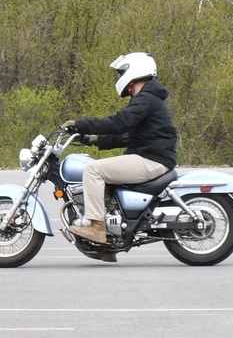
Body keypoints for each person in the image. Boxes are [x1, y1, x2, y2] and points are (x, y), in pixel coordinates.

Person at [63, 52, 178, 252]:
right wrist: (92, 140)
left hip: (151, 159)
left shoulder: (146, 99)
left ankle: (97, 227)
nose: (119, 78)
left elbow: (119, 122)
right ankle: (106, 244)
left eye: (121, 73)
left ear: (134, 71)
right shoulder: (149, 99)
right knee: (102, 173)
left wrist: (82, 124)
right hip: (152, 157)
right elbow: (126, 135)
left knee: (92, 170)